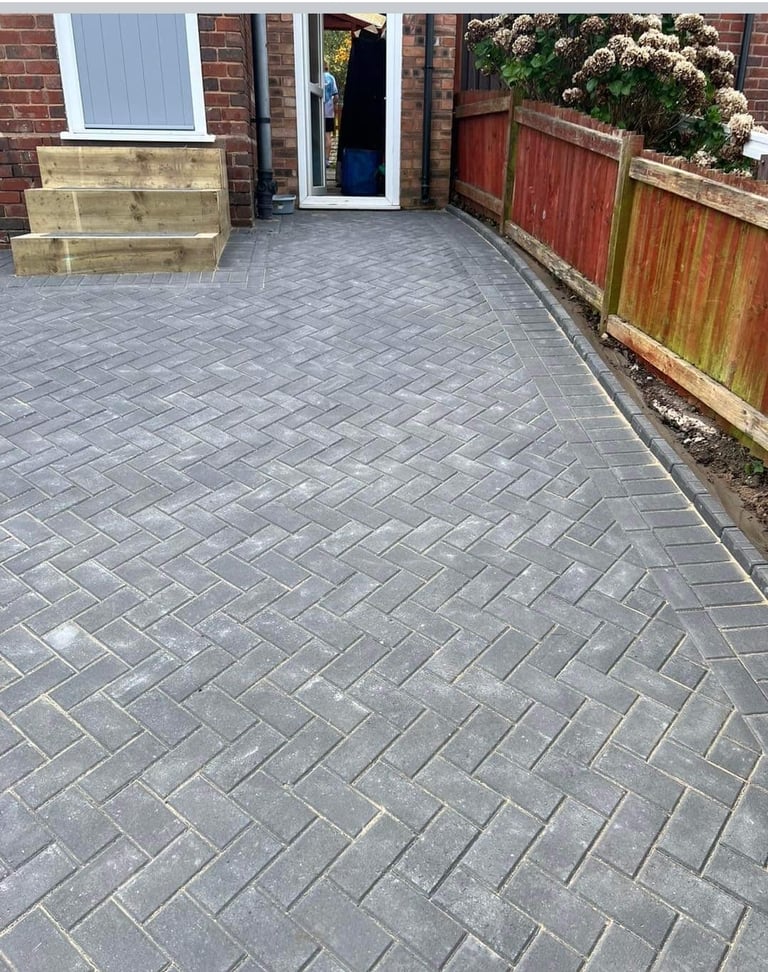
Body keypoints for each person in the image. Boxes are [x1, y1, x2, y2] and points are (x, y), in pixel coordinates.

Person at [323, 60, 338, 166]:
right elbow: (336, 96)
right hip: (328, 111)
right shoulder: (331, 78)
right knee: (328, 135)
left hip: (316, 112)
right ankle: (327, 160)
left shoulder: (315, 77)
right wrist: (332, 104)